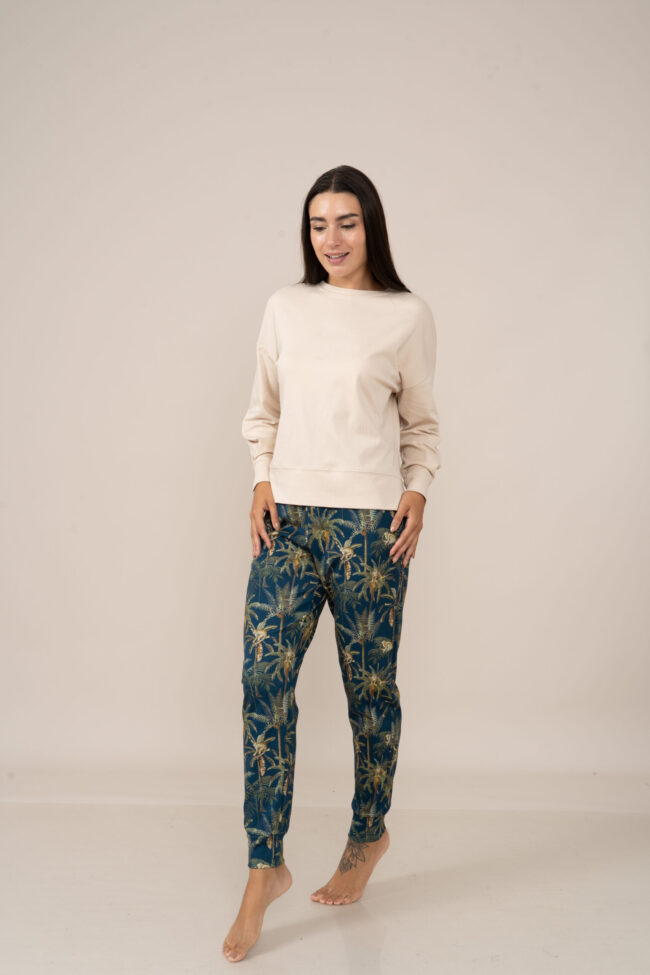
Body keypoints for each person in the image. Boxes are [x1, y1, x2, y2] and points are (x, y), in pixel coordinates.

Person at [222, 164, 441, 962]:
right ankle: (264, 863)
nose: (332, 238)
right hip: (288, 520)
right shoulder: (286, 307)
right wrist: (261, 478)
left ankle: (367, 833)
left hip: (372, 528)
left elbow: (421, 424)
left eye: (347, 222)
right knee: (263, 684)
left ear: (370, 226)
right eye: (319, 224)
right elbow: (265, 409)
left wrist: (417, 490)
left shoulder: (405, 315)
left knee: (369, 690)